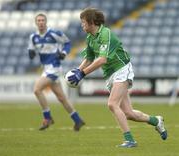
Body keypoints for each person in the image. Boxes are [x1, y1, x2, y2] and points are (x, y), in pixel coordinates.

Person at [68, 8, 167, 147]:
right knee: (128, 113)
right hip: (110, 74)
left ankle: (130, 140)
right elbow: (89, 58)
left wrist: (82, 73)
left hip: (122, 69)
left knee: (112, 104)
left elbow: (102, 59)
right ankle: (156, 121)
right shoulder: (90, 38)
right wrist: (78, 70)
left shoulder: (105, 33)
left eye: (83, 22)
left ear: (91, 22)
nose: (82, 25)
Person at [28, 13, 85, 131]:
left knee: (37, 90)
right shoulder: (33, 37)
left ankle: (47, 118)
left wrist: (64, 53)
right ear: (36, 23)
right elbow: (31, 50)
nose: (41, 22)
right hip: (46, 69)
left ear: (46, 21)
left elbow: (67, 43)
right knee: (62, 98)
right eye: (38, 20)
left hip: (54, 68)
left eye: (43, 20)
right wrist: (31, 53)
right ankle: (77, 120)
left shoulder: (54, 33)